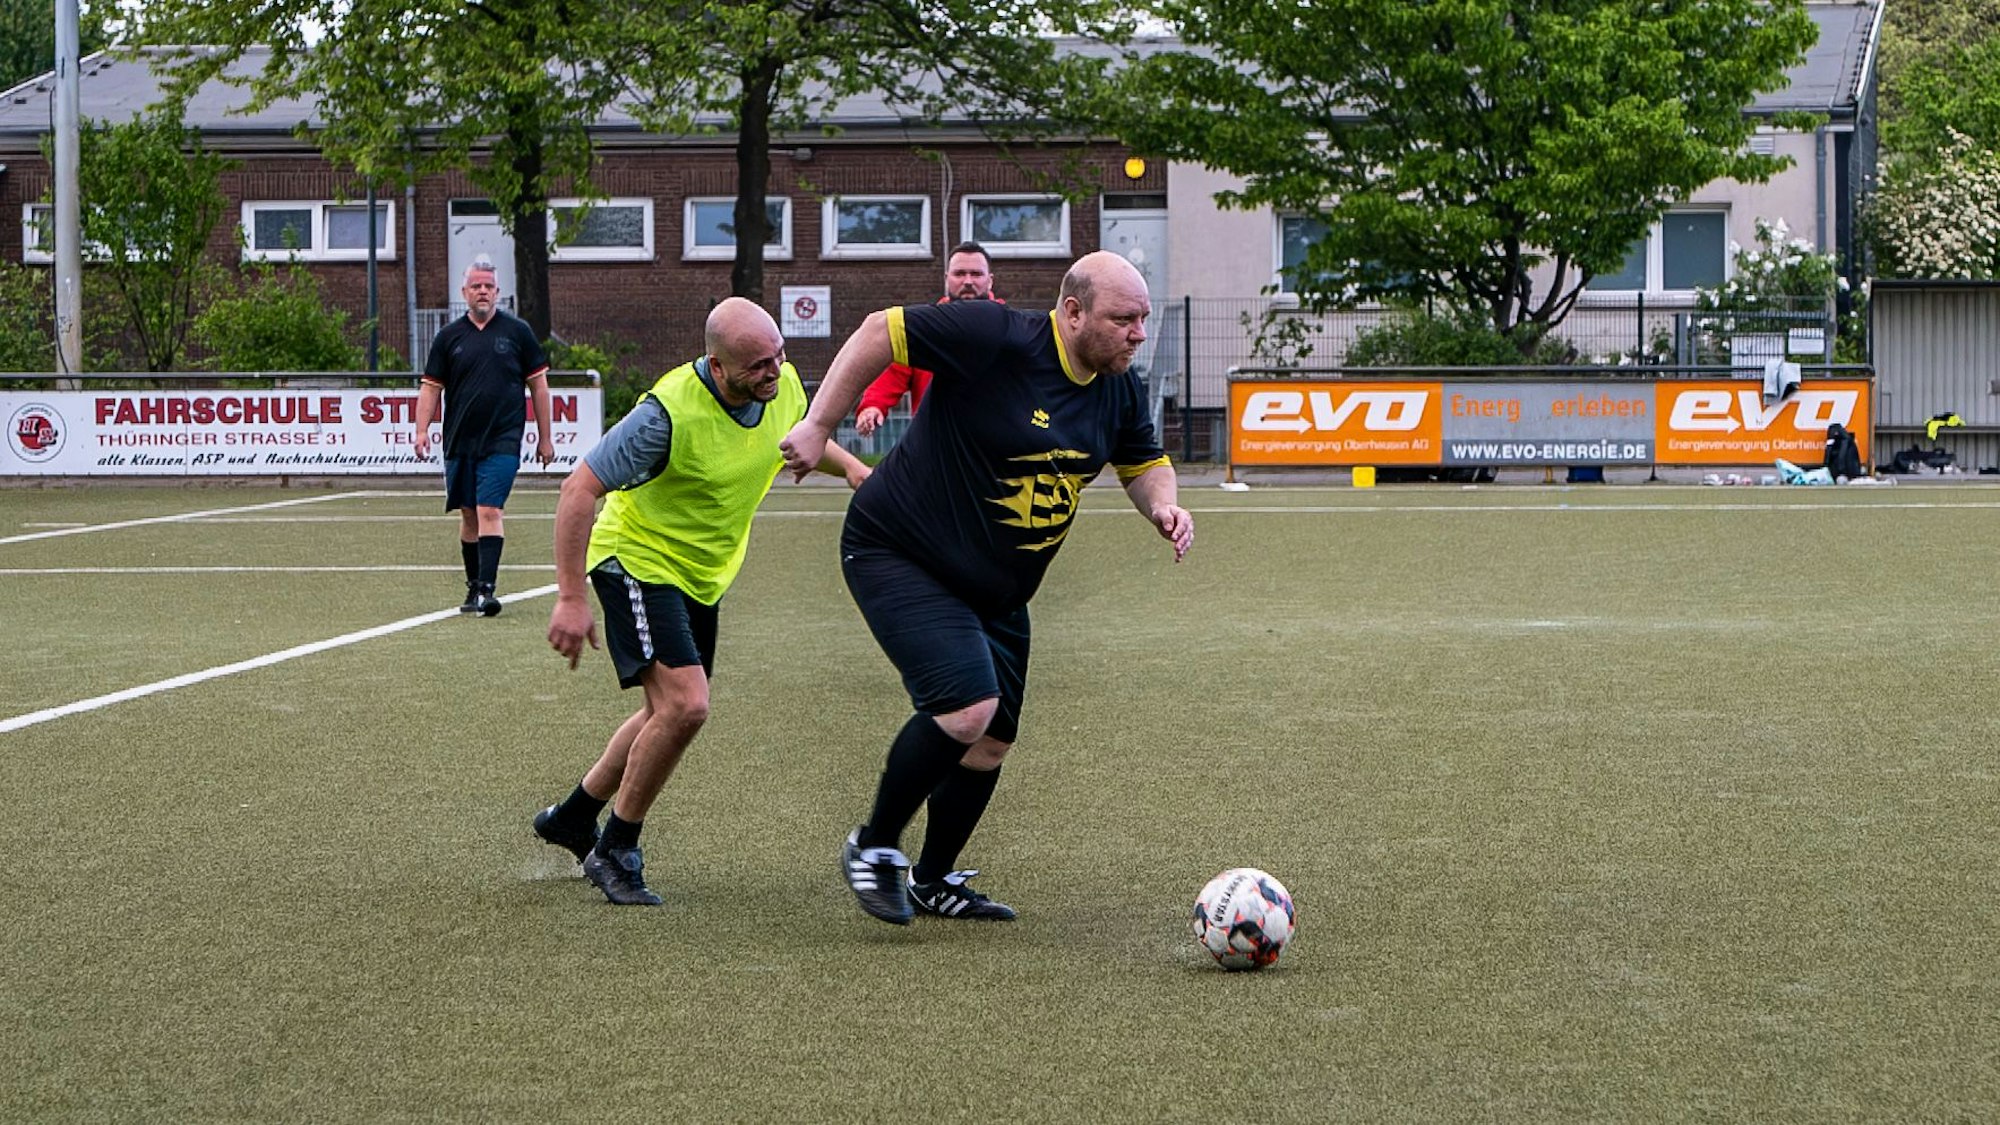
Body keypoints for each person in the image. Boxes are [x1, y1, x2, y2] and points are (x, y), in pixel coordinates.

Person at [780, 250, 1193, 926]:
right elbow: (879, 332)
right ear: (1072, 312)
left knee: (991, 740)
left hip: (998, 589)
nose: (1138, 333)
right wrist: (819, 425)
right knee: (967, 706)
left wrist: (1163, 507)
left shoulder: (1117, 385)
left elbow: (1144, 462)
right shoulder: (996, 337)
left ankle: (933, 878)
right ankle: (874, 844)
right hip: (899, 550)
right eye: (1125, 319)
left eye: (1143, 319)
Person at [535, 297, 870, 906]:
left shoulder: (783, 386)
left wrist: (850, 468)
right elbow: (579, 488)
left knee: (663, 711)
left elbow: (799, 439)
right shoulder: (664, 416)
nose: (773, 372)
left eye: (778, 358)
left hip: (701, 575)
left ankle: (574, 816)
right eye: (756, 365)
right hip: (636, 560)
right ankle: (616, 846)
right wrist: (569, 596)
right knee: (686, 707)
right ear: (717, 367)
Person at [415, 259, 554, 617]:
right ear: (465, 293)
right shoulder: (449, 337)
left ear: (497, 292)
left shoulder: (517, 332)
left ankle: (488, 592)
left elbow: (539, 386)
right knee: (468, 514)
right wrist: (420, 430)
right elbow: (430, 388)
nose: (482, 291)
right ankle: (473, 586)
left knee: (490, 508)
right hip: (460, 440)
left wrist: (545, 437)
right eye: (476, 286)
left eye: (488, 286)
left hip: (502, 440)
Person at [852, 241, 999, 438]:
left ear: (990, 281)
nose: (968, 281)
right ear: (947, 279)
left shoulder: (1013, 329)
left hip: (995, 443)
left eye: (976, 274)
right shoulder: (924, 330)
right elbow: (891, 375)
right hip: (935, 442)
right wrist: (872, 407)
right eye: (960, 273)